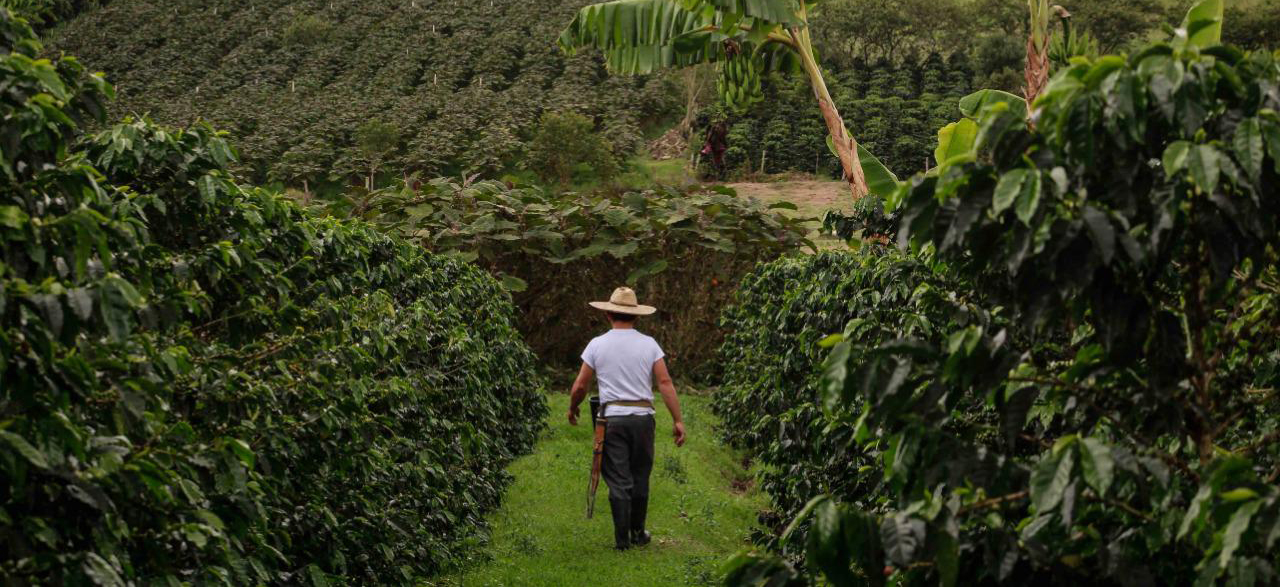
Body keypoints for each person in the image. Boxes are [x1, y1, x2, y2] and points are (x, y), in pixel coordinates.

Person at [567, 286, 686, 551]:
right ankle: (638, 533)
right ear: (636, 316)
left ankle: (622, 541)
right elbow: (665, 382)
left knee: (618, 479)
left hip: (612, 420)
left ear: (608, 314)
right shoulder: (649, 344)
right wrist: (677, 420)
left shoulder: (597, 344)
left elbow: (581, 385)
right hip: (643, 420)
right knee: (640, 475)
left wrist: (573, 407)